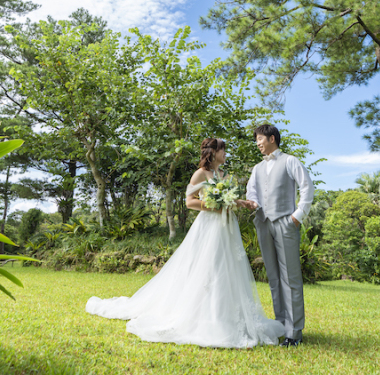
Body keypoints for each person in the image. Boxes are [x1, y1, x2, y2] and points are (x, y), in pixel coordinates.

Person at [85, 138, 284, 348]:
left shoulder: (224, 175)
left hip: (227, 227)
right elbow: (190, 201)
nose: (225, 154)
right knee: (209, 268)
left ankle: (227, 314)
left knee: (229, 269)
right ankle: (205, 316)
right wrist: (215, 206)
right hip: (209, 226)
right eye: (223, 150)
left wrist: (241, 202)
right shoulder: (200, 173)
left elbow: (228, 199)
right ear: (213, 152)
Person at [246, 124, 314, 347]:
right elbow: (252, 192)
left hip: (286, 222)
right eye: (256, 139)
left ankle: (294, 332)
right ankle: (280, 326)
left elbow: (307, 187)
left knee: (290, 278)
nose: (257, 143)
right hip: (263, 223)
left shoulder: (290, 161)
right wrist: (254, 205)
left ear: (272, 138)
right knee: (274, 278)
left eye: (259, 139)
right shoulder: (257, 168)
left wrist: (297, 216)